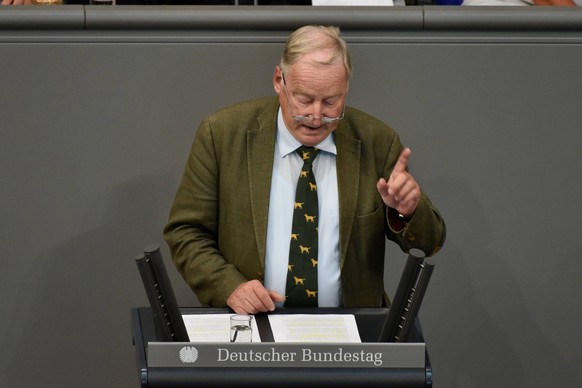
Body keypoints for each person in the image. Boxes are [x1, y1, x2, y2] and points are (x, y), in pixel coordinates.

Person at [164, 25, 446, 315]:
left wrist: (407, 211)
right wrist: (229, 286)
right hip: (253, 326)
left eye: (330, 102)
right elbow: (186, 232)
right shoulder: (222, 135)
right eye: (304, 99)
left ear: (346, 89)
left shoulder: (377, 142)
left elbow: (430, 243)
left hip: (350, 334)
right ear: (278, 81)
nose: (316, 115)